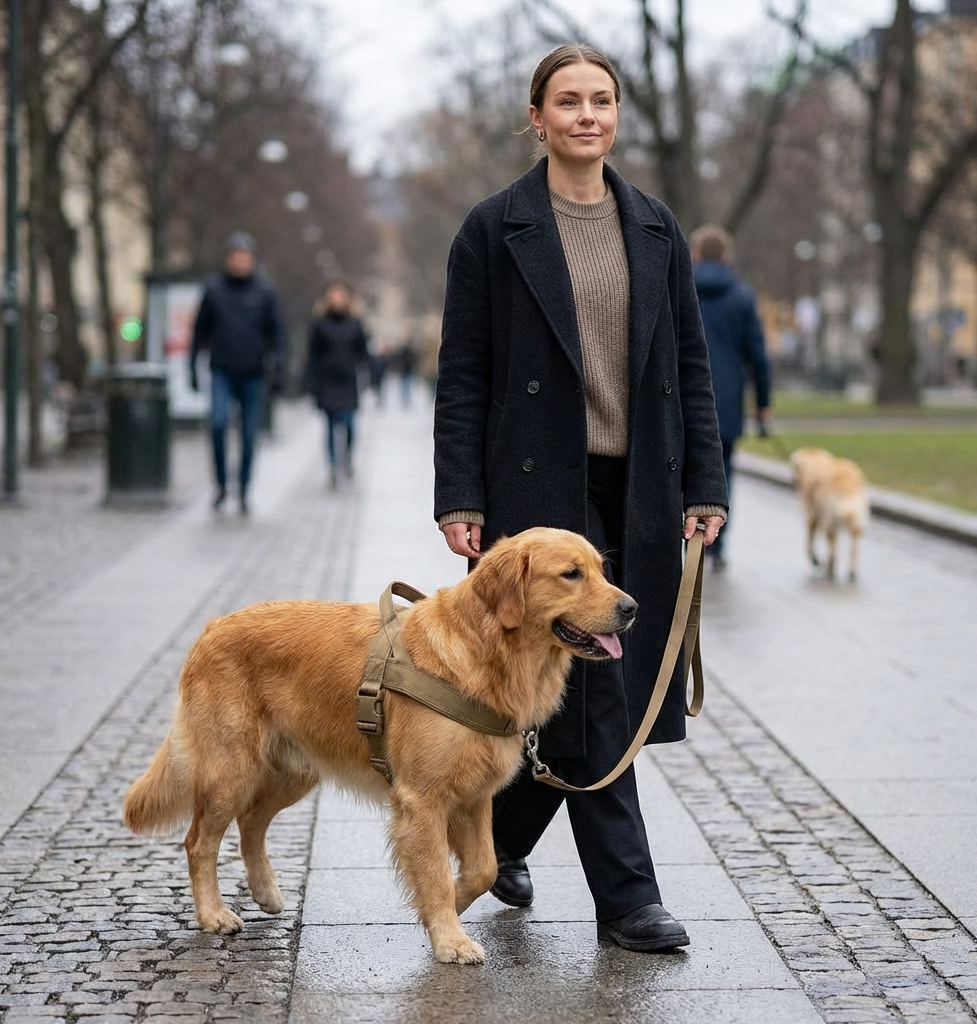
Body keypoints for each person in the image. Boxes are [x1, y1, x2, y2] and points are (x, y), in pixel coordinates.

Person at [433, 44, 728, 954]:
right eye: (568, 101)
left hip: (637, 481)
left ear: (616, 115)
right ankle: (630, 900)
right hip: (535, 489)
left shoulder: (655, 228)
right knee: (594, 687)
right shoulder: (495, 228)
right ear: (538, 117)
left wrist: (705, 484)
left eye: (601, 100)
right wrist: (461, 495)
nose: (587, 116)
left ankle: (505, 838)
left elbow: (689, 363)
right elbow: (465, 375)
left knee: (593, 685)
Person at [691, 225, 771, 569]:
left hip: (683, 399)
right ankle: (718, 544)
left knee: (681, 471)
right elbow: (757, 354)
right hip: (725, 399)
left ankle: (688, 544)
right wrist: (763, 402)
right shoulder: (741, 296)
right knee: (722, 473)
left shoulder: (681, 289)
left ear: (695, 254)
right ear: (726, 257)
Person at [190, 232, 285, 514]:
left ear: (252, 260)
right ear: (229, 259)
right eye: (236, 257)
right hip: (221, 369)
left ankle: (243, 488)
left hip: (253, 373)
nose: (241, 262)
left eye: (245, 257)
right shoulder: (214, 289)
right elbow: (199, 331)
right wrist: (192, 366)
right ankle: (221, 485)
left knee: (248, 434)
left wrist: (278, 366)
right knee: (218, 424)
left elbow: (276, 334)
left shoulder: (264, 292)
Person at [305, 280, 369, 487]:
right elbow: (312, 355)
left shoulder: (355, 323)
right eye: (333, 294)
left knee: (349, 426)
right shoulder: (320, 324)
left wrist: (368, 377)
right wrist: (311, 383)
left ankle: (347, 459)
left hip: (348, 383)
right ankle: (333, 466)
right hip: (327, 383)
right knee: (331, 427)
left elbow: (362, 352)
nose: (336, 298)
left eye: (340, 294)